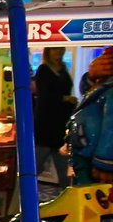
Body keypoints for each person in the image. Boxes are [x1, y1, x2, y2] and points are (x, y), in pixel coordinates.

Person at [70, 48, 113, 184]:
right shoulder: (104, 85)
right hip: (85, 150)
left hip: (95, 155)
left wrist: (105, 162)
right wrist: (91, 77)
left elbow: (111, 127)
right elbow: (87, 92)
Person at [34, 47, 75, 185]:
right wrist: (64, 98)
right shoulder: (44, 70)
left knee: (63, 168)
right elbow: (44, 96)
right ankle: (23, 198)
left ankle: (67, 198)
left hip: (61, 124)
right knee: (35, 165)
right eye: (54, 49)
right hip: (45, 124)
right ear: (48, 51)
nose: (58, 52)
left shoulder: (63, 69)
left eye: (60, 49)